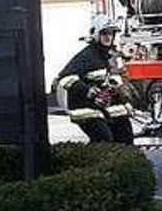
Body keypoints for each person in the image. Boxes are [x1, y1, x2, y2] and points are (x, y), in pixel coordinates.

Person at [54, 14, 134, 144]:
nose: (108, 37)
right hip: (84, 106)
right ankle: (93, 159)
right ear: (96, 34)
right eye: (104, 33)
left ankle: (125, 159)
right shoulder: (87, 56)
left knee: (124, 132)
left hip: (103, 105)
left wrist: (125, 103)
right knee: (104, 138)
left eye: (111, 33)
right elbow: (65, 78)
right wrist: (89, 91)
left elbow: (115, 83)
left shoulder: (107, 56)